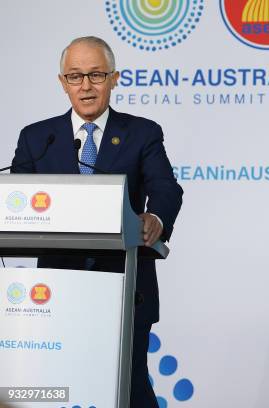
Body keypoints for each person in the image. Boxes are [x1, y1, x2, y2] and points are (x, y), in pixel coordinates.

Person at [10, 36, 183, 408]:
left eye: (96, 75)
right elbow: (14, 199)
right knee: (58, 390)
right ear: (62, 82)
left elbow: (166, 188)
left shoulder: (142, 132)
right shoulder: (38, 137)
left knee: (129, 388)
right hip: (56, 291)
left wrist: (154, 217)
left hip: (125, 286)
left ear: (114, 78)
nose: (85, 86)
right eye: (75, 76)